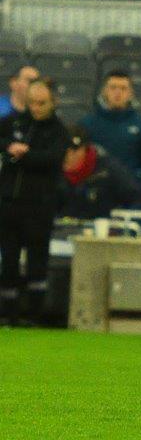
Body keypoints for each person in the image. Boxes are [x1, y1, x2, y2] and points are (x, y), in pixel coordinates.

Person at [0, 78, 72, 326]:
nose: (36, 108)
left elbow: (49, 160)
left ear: (53, 102)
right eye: (32, 103)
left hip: (40, 206)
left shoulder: (59, 132)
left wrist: (22, 155)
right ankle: (7, 314)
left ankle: (35, 315)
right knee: (8, 260)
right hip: (10, 204)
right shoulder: (14, 123)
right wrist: (9, 149)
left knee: (37, 262)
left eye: (41, 103)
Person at [80, 71, 141, 201]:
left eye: (123, 88)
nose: (118, 93)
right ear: (104, 91)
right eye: (113, 88)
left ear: (130, 93)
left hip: (130, 194)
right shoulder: (87, 124)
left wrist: (132, 177)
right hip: (94, 193)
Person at [60, 125, 140, 221]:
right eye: (65, 150)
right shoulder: (50, 170)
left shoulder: (108, 170)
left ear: (86, 149)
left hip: (101, 231)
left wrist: (118, 225)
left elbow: (135, 197)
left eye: (75, 150)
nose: (69, 156)